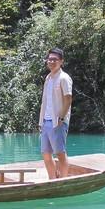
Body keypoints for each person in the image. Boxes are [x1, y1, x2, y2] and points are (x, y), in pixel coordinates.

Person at [38, 48, 73, 179]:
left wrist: (62, 117)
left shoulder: (64, 78)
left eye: (55, 59)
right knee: (46, 154)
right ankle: (52, 179)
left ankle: (63, 181)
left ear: (61, 62)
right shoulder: (48, 78)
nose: (51, 61)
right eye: (49, 59)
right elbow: (45, 101)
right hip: (46, 121)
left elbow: (68, 98)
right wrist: (41, 121)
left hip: (58, 121)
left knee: (60, 153)